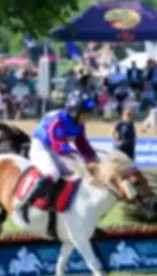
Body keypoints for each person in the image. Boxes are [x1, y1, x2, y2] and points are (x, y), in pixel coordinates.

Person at [20, 93, 98, 223]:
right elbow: (60, 148)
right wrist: (80, 156)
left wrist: (93, 157)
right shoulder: (58, 121)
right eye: (85, 113)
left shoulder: (79, 124)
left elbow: (82, 144)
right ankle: (26, 204)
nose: (87, 117)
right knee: (53, 174)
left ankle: (62, 206)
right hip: (41, 148)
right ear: (75, 112)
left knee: (79, 170)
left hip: (55, 149)